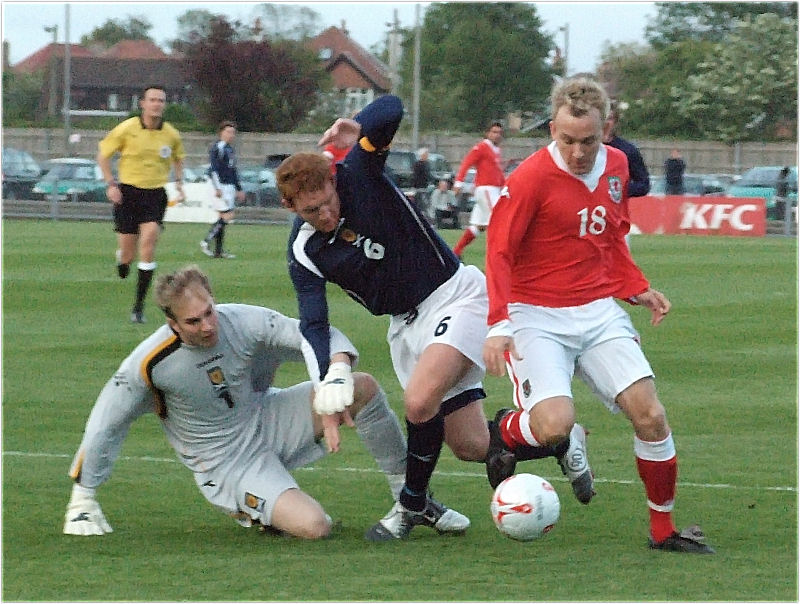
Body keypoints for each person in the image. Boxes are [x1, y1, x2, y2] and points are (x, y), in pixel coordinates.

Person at [482, 76, 715, 554]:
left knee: (650, 416)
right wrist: (499, 323)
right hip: (536, 314)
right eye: (566, 139)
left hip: (595, 310)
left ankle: (663, 532)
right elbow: (499, 252)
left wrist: (636, 288)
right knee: (553, 427)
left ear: (605, 128)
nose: (577, 151)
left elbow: (611, 236)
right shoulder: (528, 178)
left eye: (587, 140)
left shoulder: (618, 165)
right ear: (552, 129)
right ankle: (506, 433)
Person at [275, 94, 492, 542]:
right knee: (473, 446)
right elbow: (313, 324)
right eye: (310, 211)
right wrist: (326, 382)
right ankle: (557, 438)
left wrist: (353, 128)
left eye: (328, 202)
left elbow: (391, 107)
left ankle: (411, 504)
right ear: (290, 208)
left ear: (333, 181)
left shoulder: (359, 172)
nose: (326, 214)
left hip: (453, 296)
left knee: (417, 402)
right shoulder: (304, 252)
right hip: (406, 325)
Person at [63, 264, 411, 540]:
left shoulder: (244, 321)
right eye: (192, 321)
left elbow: (314, 334)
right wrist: (84, 496)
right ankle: (257, 507)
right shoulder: (149, 364)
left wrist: (336, 370)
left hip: (267, 417)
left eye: (208, 312)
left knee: (360, 386)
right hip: (226, 462)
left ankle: (409, 498)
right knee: (315, 526)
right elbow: (106, 421)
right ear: (172, 323)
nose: (206, 326)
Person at [97, 85, 186, 324]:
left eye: (161, 100)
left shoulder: (171, 134)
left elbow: (178, 157)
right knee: (128, 253)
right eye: (153, 100)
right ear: (143, 104)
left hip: (155, 195)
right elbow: (103, 154)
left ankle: (138, 307)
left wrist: (179, 183)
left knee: (148, 242)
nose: (157, 104)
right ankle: (123, 261)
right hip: (128, 193)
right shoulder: (127, 129)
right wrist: (110, 184)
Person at [451, 121, 505, 258]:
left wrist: (505, 186)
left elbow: (497, 172)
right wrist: (459, 183)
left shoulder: (496, 150)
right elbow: (467, 163)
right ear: (487, 133)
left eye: (499, 132)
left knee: (478, 226)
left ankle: (455, 252)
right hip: (486, 190)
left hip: (494, 190)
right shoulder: (481, 147)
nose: (497, 135)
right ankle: (498, 255)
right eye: (494, 132)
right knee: (499, 220)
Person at [200, 121, 245, 259]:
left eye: (233, 132)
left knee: (222, 218)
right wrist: (217, 187)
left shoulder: (230, 149)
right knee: (228, 216)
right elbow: (213, 169)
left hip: (229, 186)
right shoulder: (217, 147)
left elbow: (233, 171)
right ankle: (206, 241)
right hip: (220, 186)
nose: (231, 135)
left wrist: (238, 188)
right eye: (228, 132)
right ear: (221, 133)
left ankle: (218, 251)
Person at [604, 101, 650, 197]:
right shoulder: (585, 148)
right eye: (602, 118)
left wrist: (619, 189)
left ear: (615, 122)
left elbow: (643, 184)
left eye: (610, 119)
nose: (606, 122)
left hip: (616, 207)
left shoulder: (627, 150)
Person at [412, 147, 432, 215]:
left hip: (425, 186)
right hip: (419, 187)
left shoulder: (427, 164)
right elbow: (417, 176)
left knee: (425, 202)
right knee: (420, 202)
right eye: (426, 154)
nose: (427, 156)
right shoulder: (418, 164)